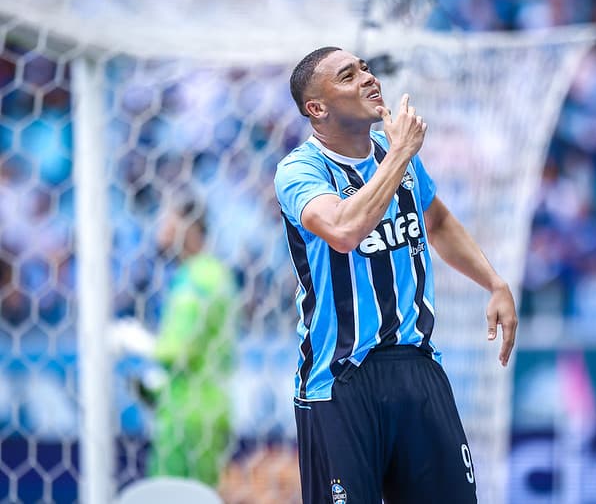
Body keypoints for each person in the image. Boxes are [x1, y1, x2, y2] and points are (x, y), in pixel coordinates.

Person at [274, 46, 518, 503]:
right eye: (348, 75)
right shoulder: (300, 170)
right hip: (341, 378)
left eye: (365, 68)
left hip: (417, 366)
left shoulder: (393, 156)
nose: (368, 78)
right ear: (317, 109)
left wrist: (494, 281)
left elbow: (437, 220)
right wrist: (401, 153)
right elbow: (343, 231)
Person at [140, 193, 238, 487]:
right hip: (203, 408)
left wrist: (135, 342)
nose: (160, 229)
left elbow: (179, 350)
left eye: (166, 220)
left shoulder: (198, 278)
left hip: (189, 417)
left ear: (189, 226)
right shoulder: (213, 273)